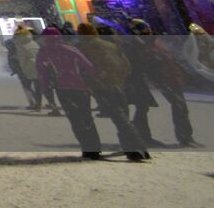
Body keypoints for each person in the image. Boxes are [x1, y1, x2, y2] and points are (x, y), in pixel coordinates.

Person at [75, 24, 146, 160]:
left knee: (119, 116)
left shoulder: (83, 48)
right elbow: (126, 65)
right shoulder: (110, 45)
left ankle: (135, 149)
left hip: (101, 86)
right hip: (118, 84)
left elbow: (84, 69)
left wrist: (93, 81)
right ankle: (133, 146)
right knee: (123, 115)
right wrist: (119, 78)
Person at [34, 26, 104, 159]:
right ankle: (94, 147)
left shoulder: (44, 52)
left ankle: (86, 147)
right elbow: (89, 67)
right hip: (81, 88)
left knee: (74, 119)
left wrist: (46, 88)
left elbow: (42, 72)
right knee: (86, 116)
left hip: (62, 89)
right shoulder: (70, 49)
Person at [127, 19, 198, 147]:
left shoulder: (153, 42)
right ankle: (183, 137)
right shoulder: (139, 45)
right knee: (147, 108)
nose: (148, 31)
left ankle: (185, 136)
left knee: (179, 107)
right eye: (144, 29)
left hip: (169, 78)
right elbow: (147, 63)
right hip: (161, 79)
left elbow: (168, 59)